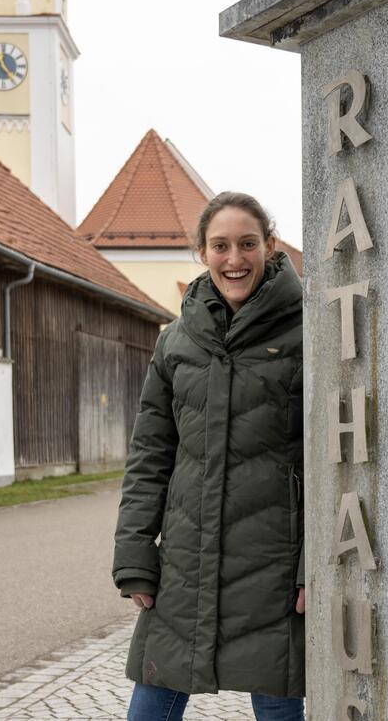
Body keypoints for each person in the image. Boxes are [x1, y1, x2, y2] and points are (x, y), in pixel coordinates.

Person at [113, 192, 305, 721]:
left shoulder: (309, 331)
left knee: (280, 711)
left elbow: (325, 459)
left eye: (247, 244)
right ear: (202, 251)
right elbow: (151, 451)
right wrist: (135, 554)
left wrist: (315, 566)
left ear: (270, 244)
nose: (234, 258)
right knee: (149, 709)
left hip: (274, 564)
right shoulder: (176, 341)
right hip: (185, 562)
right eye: (220, 246)